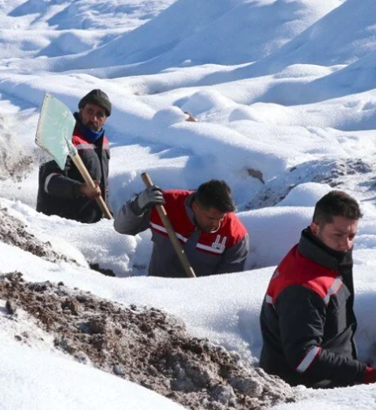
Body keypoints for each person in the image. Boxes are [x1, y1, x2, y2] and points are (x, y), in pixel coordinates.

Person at [259, 190, 376, 388]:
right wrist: (360, 373)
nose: (346, 244)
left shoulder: (320, 256)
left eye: (352, 235)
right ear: (315, 228)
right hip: (308, 391)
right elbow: (303, 357)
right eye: (338, 235)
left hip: (330, 379)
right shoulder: (303, 286)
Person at [114, 179, 249, 277]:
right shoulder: (165, 205)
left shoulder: (235, 235)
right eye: (211, 218)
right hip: (155, 291)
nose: (217, 224)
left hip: (199, 300)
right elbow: (122, 228)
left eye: (222, 218)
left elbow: (226, 283)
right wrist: (138, 205)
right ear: (195, 207)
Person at [36, 89, 112, 224]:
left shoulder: (103, 144)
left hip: (92, 224)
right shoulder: (63, 137)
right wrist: (81, 188)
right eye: (89, 111)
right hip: (62, 225)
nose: (94, 118)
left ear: (105, 119)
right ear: (81, 110)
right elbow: (49, 182)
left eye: (100, 114)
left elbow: (102, 187)